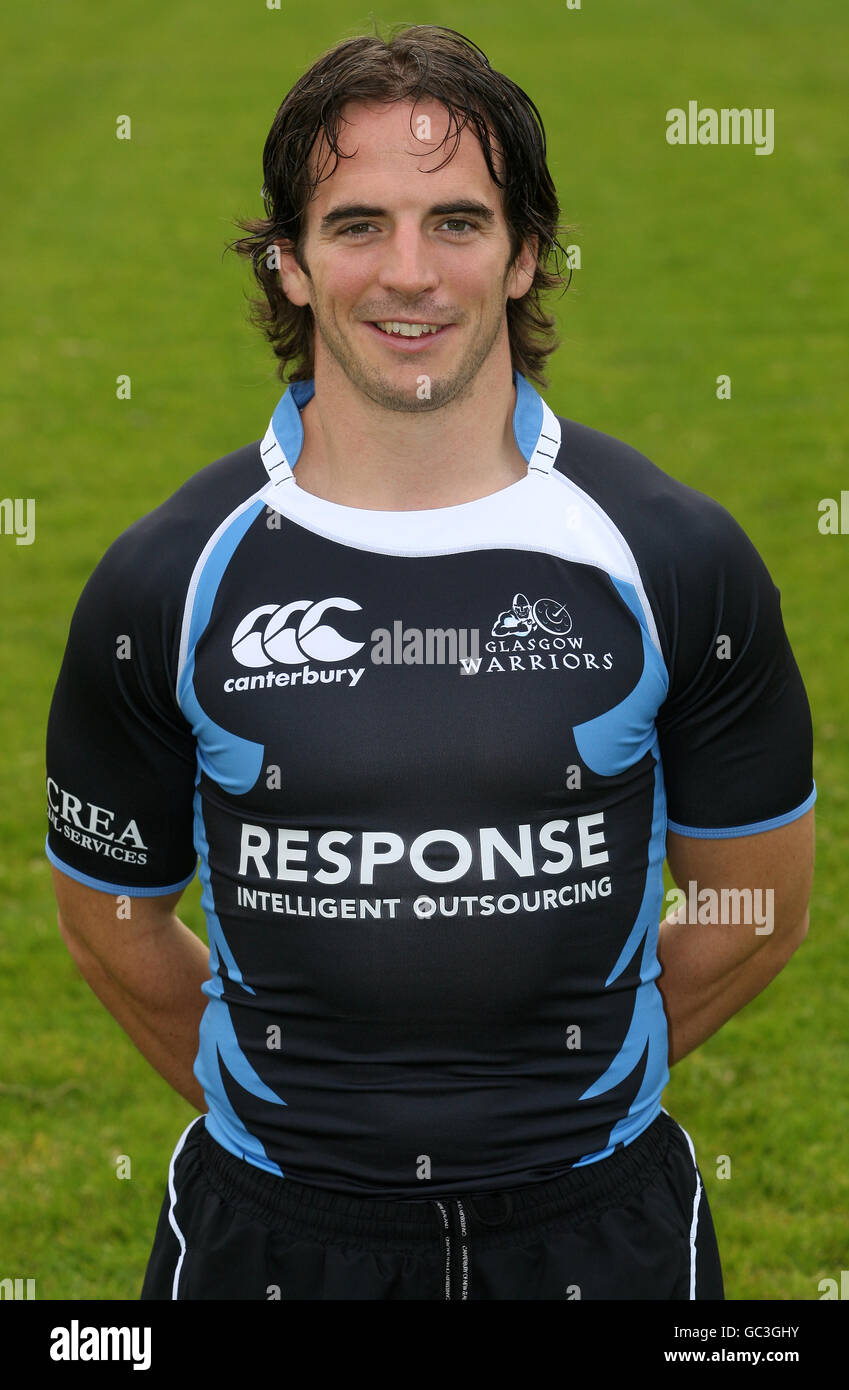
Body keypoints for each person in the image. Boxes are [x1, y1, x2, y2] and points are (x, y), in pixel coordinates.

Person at [45, 24, 816, 1301]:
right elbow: (110, 923)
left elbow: (757, 907)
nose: (410, 274)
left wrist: (554, 1102)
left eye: (456, 222)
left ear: (524, 256)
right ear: (289, 263)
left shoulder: (674, 556)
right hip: (269, 1238)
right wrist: (308, 1125)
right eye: (358, 226)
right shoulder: (166, 579)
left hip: (601, 1234)